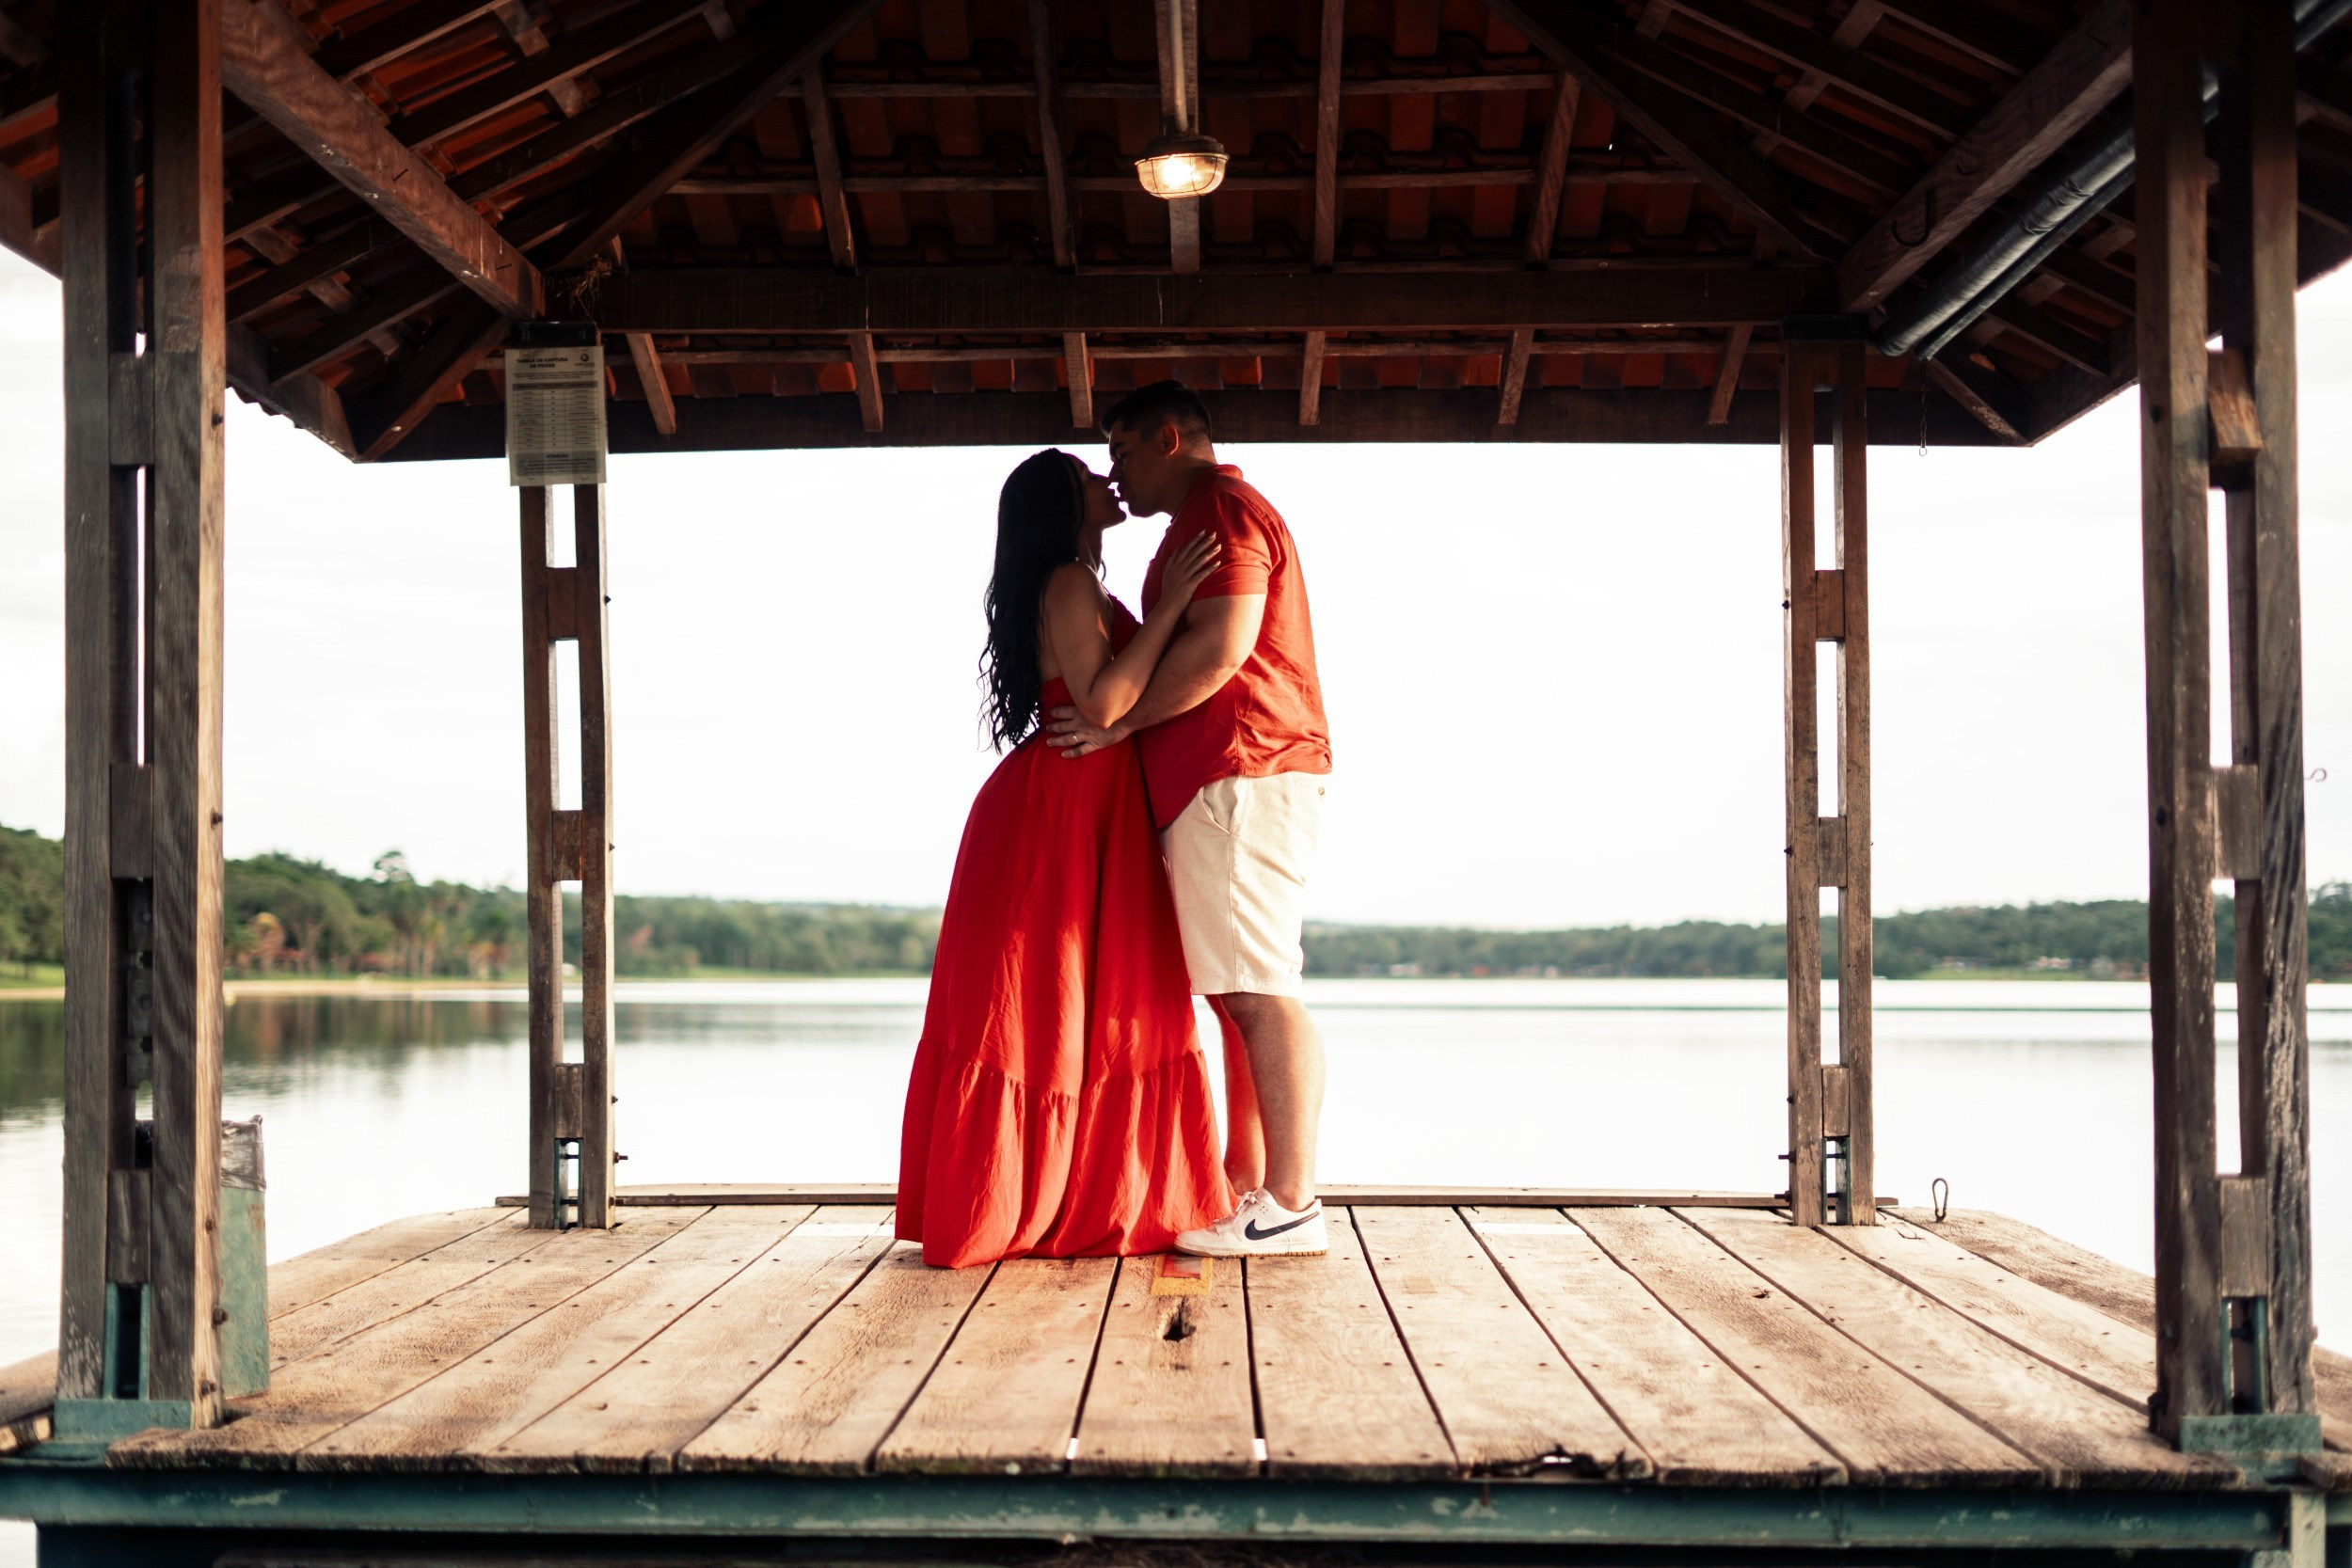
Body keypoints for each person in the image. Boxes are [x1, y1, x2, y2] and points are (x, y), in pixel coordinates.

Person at [895, 450, 1234, 1268]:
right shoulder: (1070, 579)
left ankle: (1041, 1196)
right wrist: (1178, 603)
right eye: (1088, 473)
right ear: (1061, 500)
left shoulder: (1065, 578)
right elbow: (1106, 701)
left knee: (1064, 1006)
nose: (1106, 479)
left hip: (1074, 803)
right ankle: (1053, 1199)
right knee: (1052, 1008)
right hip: (1062, 810)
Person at [1047, 382, 1334, 1259]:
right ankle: (1250, 1186)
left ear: (1170, 438)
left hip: (1242, 767)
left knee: (1257, 986)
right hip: (1222, 779)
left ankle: (1290, 1201)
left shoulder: (1221, 509)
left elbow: (1223, 647)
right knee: (1234, 987)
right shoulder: (1200, 518)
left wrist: (1120, 725)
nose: (1115, 475)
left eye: (1124, 453)